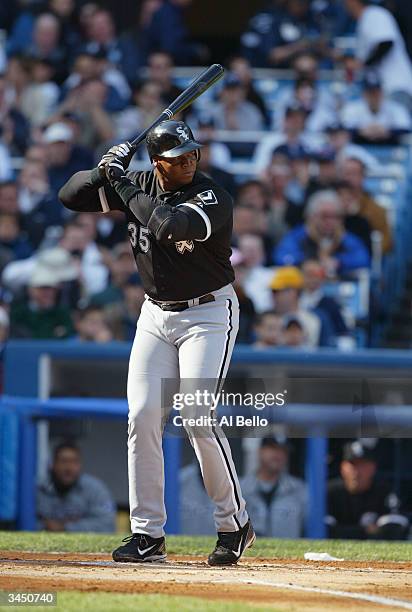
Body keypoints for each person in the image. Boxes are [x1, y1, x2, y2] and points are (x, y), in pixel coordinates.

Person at [59, 119, 255, 565]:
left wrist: (122, 185)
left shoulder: (212, 195)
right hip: (155, 313)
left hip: (208, 313)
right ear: (157, 163)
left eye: (191, 154)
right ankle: (147, 534)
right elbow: (69, 197)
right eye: (177, 158)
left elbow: (168, 226)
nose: (188, 162)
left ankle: (234, 523)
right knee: (143, 414)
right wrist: (103, 170)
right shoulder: (141, 181)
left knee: (196, 416)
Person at [274, 190, 371, 276]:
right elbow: (281, 257)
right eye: (324, 216)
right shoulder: (298, 236)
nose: (330, 221)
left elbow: (363, 258)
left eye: (335, 216)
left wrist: (339, 262)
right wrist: (304, 263)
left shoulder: (346, 238)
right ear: (311, 216)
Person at [326, 441, 409, 540]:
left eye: (362, 465)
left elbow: (394, 530)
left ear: (373, 467)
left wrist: (344, 530)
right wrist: (365, 530)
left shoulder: (383, 491)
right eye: (353, 464)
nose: (357, 471)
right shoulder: (330, 491)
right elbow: (324, 530)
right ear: (342, 467)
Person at [345, 0, 412, 109]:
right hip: (382, 91)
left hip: (395, 87)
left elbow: (386, 43)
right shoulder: (364, 19)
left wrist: (363, 64)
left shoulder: (374, 14)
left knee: (395, 124)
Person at [37, 441, 116, 532]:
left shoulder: (96, 489)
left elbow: (107, 524)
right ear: (53, 464)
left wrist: (65, 528)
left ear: (80, 465)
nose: (69, 468)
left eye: (74, 462)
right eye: (63, 461)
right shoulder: (39, 488)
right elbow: (26, 523)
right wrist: (44, 526)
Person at [240, 438, 307, 538]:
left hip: (287, 552)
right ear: (260, 451)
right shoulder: (239, 488)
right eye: (272, 448)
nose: (278, 455)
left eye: (283, 450)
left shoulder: (300, 489)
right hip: (247, 553)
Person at [339, 156, 392, 253]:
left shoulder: (376, 210)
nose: (348, 178)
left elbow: (386, 243)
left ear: (362, 177)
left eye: (353, 173)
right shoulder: (328, 203)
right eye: (345, 173)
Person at [341, 70, 411, 143]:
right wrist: (361, 131)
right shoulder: (352, 108)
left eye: (377, 92)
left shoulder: (396, 108)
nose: (374, 96)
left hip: (392, 151)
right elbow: (343, 130)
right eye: (370, 92)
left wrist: (388, 132)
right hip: (358, 151)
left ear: (382, 92)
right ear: (364, 94)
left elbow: (406, 129)